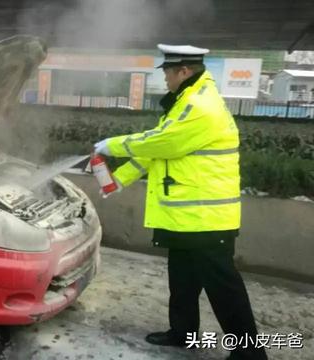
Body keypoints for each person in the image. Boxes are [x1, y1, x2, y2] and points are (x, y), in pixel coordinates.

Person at [93, 44, 267, 360]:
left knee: (223, 288)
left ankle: (250, 354)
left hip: (206, 217)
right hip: (188, 216)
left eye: (168, 74)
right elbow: (157, 152)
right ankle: (183, 334)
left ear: (184, 71)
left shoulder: (201, 106)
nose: (165, 81)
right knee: (183, 280)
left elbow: (163, 142)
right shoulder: (186, 102)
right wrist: (119, 179)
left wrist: (114, 146)